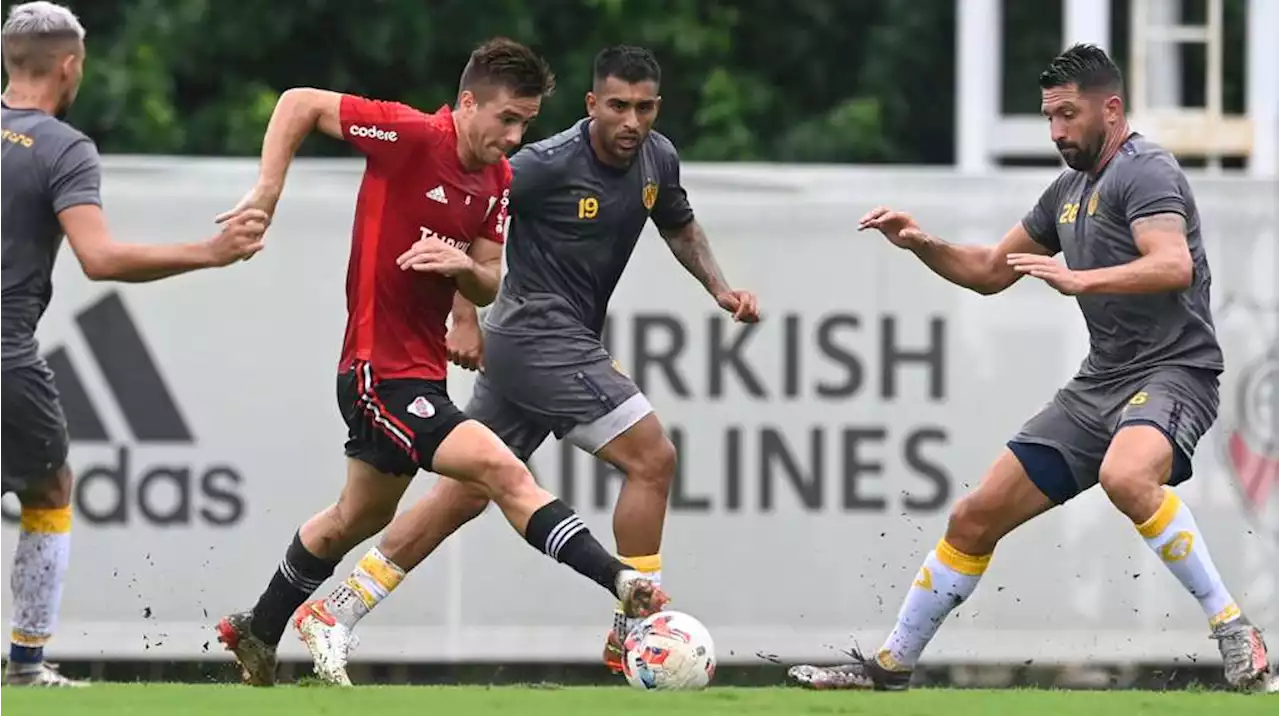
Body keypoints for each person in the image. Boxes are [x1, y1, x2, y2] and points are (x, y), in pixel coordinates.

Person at [787, 43, 1275, 693]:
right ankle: (891, 667)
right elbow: (990, 272)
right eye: (1049, 118)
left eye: (1068, 116)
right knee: (974, 516)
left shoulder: (1146, 170)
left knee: (1126, 477)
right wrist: (921, 242)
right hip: (1099, 385)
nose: (1056, 132)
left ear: (1111, 108)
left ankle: (1234, 630)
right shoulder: (1068, 191)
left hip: (1174, 373)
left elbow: (1172, 264)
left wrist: (1082, 278)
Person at [292, 44, 760, 685]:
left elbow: (677, 223)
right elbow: (471, 218)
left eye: (645, 107)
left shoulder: (658, 157)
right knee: (653, 457)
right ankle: (633, 634)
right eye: (617, 106)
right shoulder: (542, 163)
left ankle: (337, 611)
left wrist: (720, 289)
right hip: (537, 334)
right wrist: (463, 317)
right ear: (592, 104)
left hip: (544, 347)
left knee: (463, 496)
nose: (632, 121)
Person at [213, 38, 669, 688]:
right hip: (375, 370)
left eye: (526, 124)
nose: (514, 137)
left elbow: (488, 280)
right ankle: (621, 581)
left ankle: (258, 629)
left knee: (359, 517)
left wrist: (463, 270)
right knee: (500, 471)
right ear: (466, 103)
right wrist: (266, 192)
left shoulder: (498, 180)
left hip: (420, 374)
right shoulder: (409, 135)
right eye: (505, 119)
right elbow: (299, 104)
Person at [0, 1, 266, 688]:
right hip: (6, 353)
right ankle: (26, 666)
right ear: (70, 66)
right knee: (50, 486)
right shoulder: (63, 147)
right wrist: (209, 251)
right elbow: (101, 258)